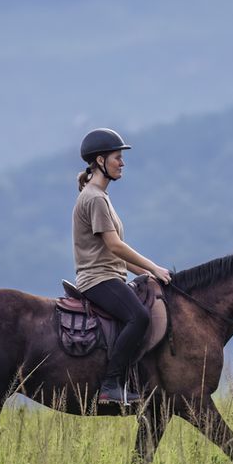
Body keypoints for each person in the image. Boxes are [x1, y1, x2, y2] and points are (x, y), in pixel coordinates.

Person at [73, 128, 172, 404]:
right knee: (138, 317)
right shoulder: (94, 198)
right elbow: (115, 245)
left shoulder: (101, 198)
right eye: (118, 157)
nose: (122, 163)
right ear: (101, 161)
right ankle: (110, 385)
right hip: (98, 278)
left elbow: (115, 254)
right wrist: (152, 264)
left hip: (110, 273)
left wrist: (149, 274)